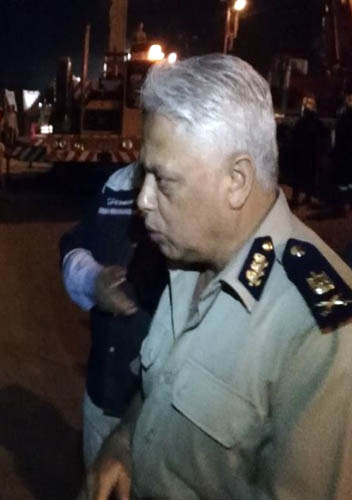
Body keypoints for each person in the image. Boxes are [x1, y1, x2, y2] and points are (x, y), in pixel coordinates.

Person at [89, 54, 352, 500]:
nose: (143, 200)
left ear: (236, 180)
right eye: (143, 175)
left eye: (162, 181)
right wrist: (125, 440)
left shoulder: (321, 334)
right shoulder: (184, 262)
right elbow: (161, 387)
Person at [59, 162, 166, 472]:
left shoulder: (202, 187)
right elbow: (75, 242)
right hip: (102, 400)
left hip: (160, 422)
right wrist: (92, 280)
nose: (144, 200)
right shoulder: (118, 184)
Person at [289, 95, 328, 206]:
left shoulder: (301, 123)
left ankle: (296, 198)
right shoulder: (317, 123)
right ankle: (307, 197)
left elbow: (294, 138)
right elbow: (323, 139)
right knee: (309, 177)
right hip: (311, 155)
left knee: (298, 177)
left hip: (302, 154)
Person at [332, 90, 352, 209]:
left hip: (344, 154)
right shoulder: (344, 118)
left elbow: (339, 137)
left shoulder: (343, 118)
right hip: (347, 153)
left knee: (343, 181)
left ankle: (343, 204)